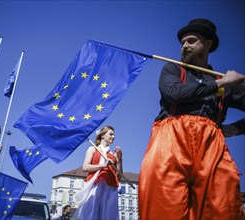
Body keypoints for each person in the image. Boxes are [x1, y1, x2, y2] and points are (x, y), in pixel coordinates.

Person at [138, 18, 245, 219]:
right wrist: (221, 84)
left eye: (191, 41)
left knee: (220, 206)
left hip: (212, 145)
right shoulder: (173, 69)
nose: (184, 46)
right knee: (165, 205)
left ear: (208, 44)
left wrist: (236, 129)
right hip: (171, 141)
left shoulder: (222, 79)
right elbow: (174, 93)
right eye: (182, 43)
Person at [73, 125, 123, 220]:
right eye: (111, 134)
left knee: (108, 215)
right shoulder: (92, 149)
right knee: (91, 213)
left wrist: (120, 160)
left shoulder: (113, 155)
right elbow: (85, 167)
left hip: (110, 188)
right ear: (102, 135)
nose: (113, 137)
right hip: (95, 185)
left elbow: (119, 177)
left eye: (114, 135)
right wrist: (103, 166)